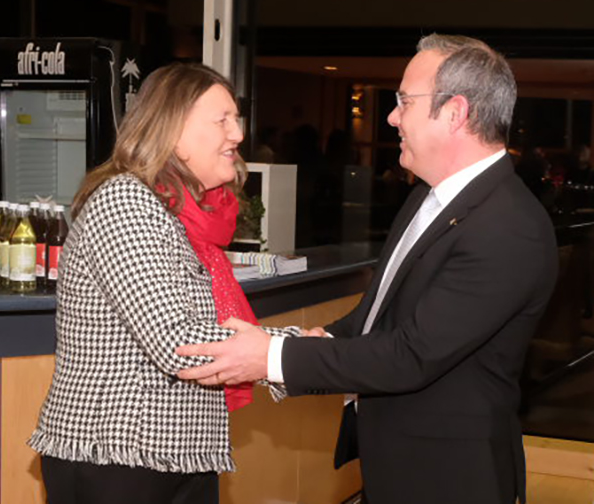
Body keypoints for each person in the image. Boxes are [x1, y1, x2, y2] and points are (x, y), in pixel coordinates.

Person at [176, 34, 559, 504]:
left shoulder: (508, 227)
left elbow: (411, 355)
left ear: (455, 112)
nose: (392, 117)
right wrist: (325, 337)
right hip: (400, 462)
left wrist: (271, 356)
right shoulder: (429, 196)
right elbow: (380, 315)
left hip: (450, 475)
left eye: (404, 101)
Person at [28, 62, 293, 504]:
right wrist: (291, 351)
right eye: (222, 120)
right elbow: (176, 340)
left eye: (237, 119)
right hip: (118, 453)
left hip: (173, 454)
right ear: (173, 130)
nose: (238, 134)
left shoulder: (179, 213)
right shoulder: (126, 201)